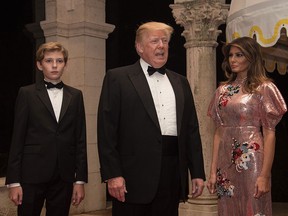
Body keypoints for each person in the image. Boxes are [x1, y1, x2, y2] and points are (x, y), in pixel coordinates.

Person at [97, 21, 205, 216]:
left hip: (172, 174)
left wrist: (197, 172)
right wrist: (113, 174)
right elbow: (106, 131)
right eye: (154, 41)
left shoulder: (181, 81)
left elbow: (191, 130)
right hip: (131, 178)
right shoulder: (117, 78)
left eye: (165, 41)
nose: (161, 46)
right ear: (139, 47)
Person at [206, 36, 287, 215]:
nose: (233, 60)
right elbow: (218, 133)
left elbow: (270, 134)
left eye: (239, 55)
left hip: (252, 160)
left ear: (251, 57)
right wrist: (212, 172)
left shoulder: (264, 88)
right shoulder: (222, 91)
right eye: (231, 56)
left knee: (254, 208)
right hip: (225, 162)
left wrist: (265, 175)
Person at [6, 42, 88, 216]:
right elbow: (17, 139)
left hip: (63, 176)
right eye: (49, 60)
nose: (54, 65)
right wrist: (13, 182)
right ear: (39, 64)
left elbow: (80, 140)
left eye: (59, 61)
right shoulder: (26, 94)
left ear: (65, 64)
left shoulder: (76, 96)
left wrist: (79, 180)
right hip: (31, 174)